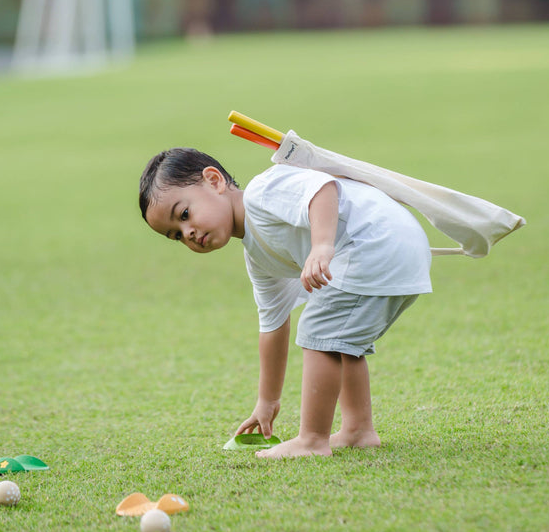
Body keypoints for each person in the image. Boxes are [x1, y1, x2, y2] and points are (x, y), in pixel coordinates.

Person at [139, 147, 432, 458]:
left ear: (214, 181)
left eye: (184, 215)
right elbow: (272, 326)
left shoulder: (262, 193)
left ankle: (312, 440)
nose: (188, 233)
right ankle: (358, 430)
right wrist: (267, 402)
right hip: (397, 248)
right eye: (176, 235)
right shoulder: (258, 256)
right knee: (340, 338)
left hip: (376, 242)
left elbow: (322, 189)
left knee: (320, 329)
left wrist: (321, 245)